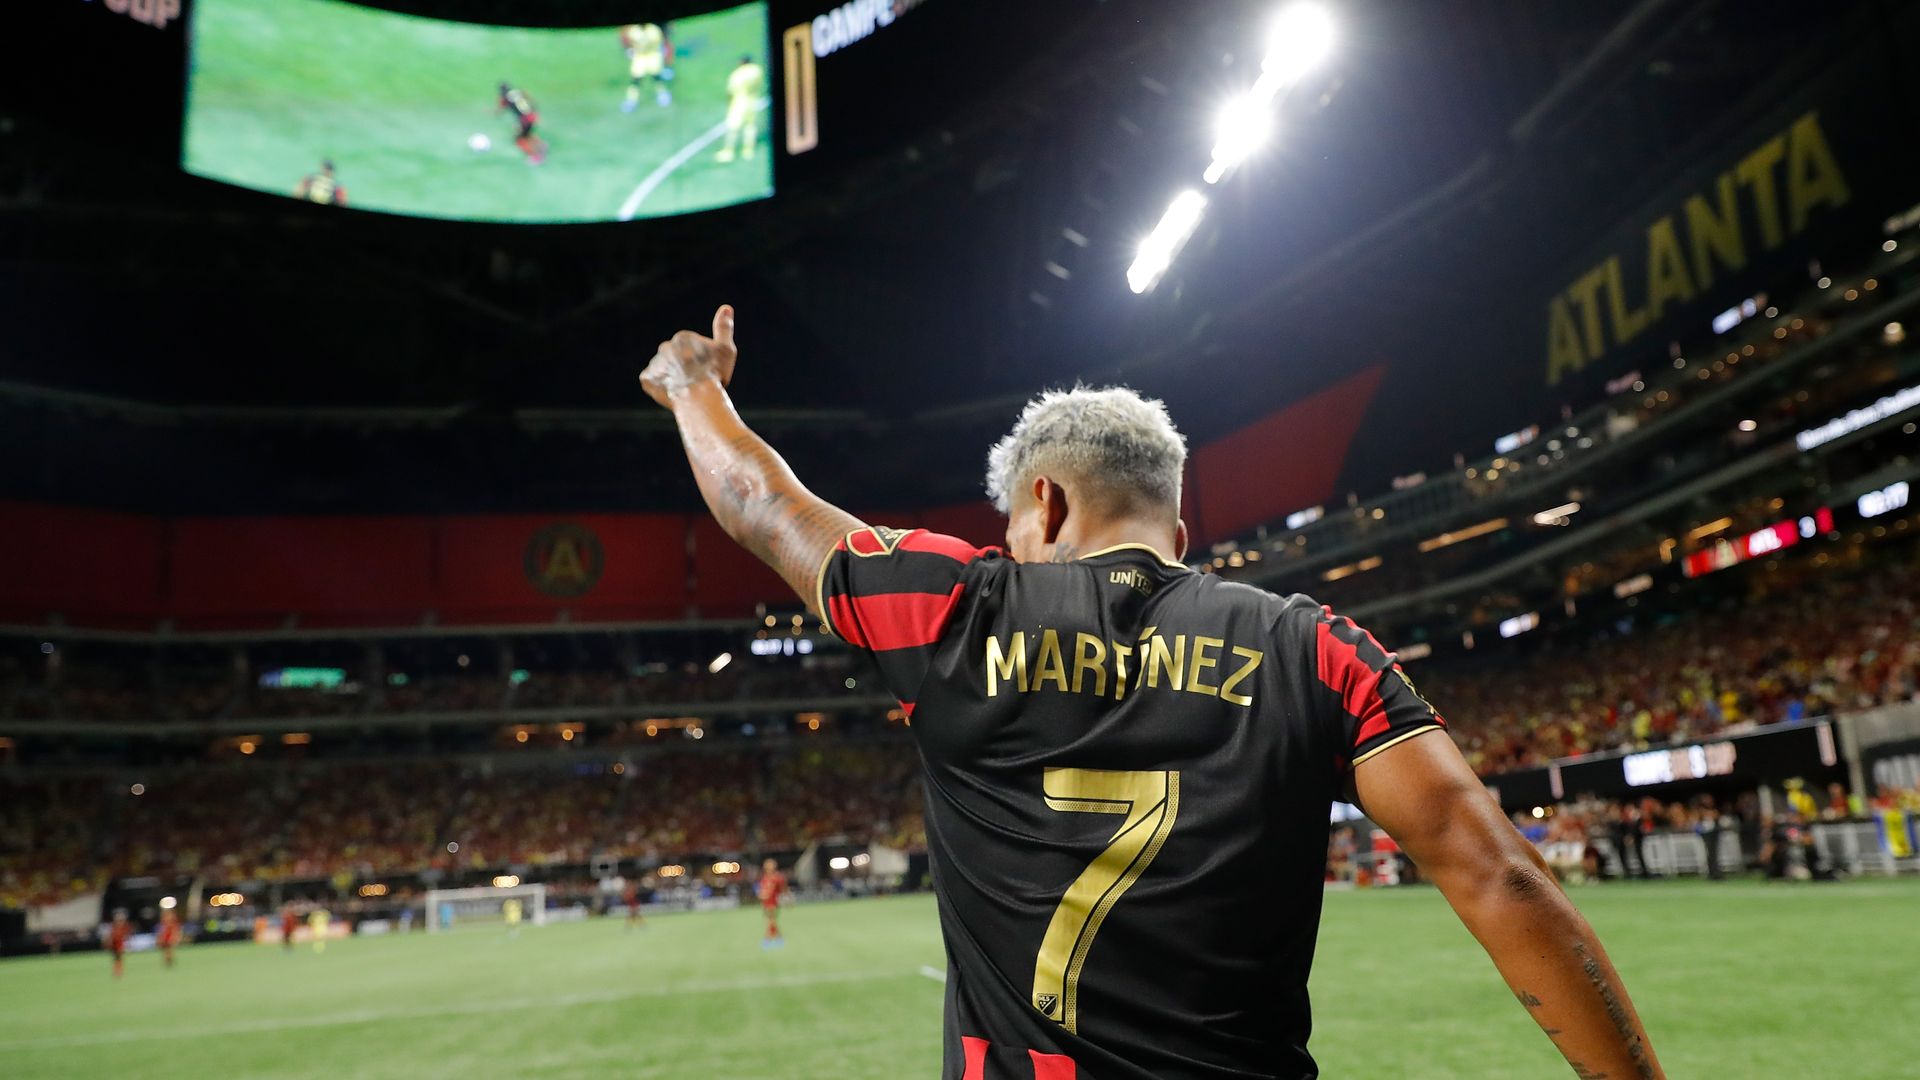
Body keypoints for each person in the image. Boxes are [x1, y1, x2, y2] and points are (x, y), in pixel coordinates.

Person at [639, 305, 1667, 1079]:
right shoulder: (1315, 650)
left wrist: (696, 388)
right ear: (1178, 536)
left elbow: (764, 507)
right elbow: (1501, 878)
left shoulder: (954, 612)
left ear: (1044, 501)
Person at [714, 55, 763, 164]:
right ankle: (748, 150)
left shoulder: (737, 75)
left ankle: (728, 151)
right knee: (750, 126)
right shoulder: (756, 70)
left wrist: (729, 101)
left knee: (733, 128)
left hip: (739, 103)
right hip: (752, 101)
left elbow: (730, 91)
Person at [620, 23, 673, 111]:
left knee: (656, 77)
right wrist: (629, 50)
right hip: (640, 57)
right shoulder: (633, 30)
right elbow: (628, 42)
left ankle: (662, 95)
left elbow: (659, 42)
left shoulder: (653, 30)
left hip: (652, 56)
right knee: (636, 80)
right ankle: (631, 100)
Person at [497, 82, 548, 165]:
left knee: (518, 139)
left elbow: (499, 111)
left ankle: (535, 156)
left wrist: (490, 112)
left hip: (525, 120)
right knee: (526, 134)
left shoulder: (504, 98)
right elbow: (529, 98)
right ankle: (541, 144)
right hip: (533, 115)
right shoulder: (518, 91)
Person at [755, 857, 787, 948]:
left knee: (771, 921)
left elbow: (783, 889)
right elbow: (763, 890)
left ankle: (767, 940)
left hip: (773, 903)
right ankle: (778, 939)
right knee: (771, 921)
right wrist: (761, 895)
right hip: (765, 903)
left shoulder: (777, 877)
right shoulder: (765, 878)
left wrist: (787, 899)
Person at [107, 910, 130, 979]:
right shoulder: (114, 927)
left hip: (119, 945)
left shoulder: (121, 927)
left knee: (118, 959)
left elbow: (125, 936)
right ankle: (117, 971)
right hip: (116, 945)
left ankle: (118, 971)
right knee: (117, 959)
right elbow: (112, 937)